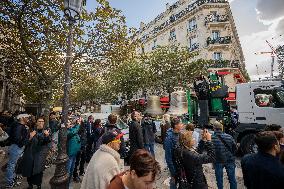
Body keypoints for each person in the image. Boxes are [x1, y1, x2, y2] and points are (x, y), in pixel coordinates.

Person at [21, 118, 51, 189]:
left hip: (40, 154)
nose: (41, 123)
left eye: (42, 121)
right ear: (36, 122)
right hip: (30, 153)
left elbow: (47, 142)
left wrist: (47, 136)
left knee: (39, 171)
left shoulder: (46, 131)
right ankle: (30, 185)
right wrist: (30, 137)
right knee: (30, 169)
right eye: (39, 121)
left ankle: (38, 185)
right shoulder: (31, 131)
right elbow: (25, 142)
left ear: (44, 123)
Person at [5, 114, 30, 188]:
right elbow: (17, 138)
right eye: (26, 117)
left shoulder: (19, 126)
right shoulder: (19, 126)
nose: (28, 118)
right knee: (11, 165)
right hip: (16, 148)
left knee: (14, 164)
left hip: (16, 147)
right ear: (22, 118)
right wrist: (23, 143)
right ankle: (9, 183)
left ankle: (12, 179)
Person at [211, 121, 237, 189]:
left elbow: (210, 151)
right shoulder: (229, 137)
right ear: (221, 128)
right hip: (230, 160)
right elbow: (235, 149)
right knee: (232, 179)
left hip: (218, 161)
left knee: (219, 180)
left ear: (214, 128)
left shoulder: (211, 138)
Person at [164, 117, 184, 189]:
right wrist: (173, 171)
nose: (182, 125)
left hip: (180, 165)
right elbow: (168, 157)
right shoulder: (169, 139)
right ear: (175, 126)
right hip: (174, 166)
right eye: (180, 123)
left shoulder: (180, 134)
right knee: (173, 182)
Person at [67, 117, 81, 186]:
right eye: (69, 122)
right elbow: (73, 132)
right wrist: (78, 125)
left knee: (71, 170)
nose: (70, 123)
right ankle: (67, 185)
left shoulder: (71, 128)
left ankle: (69, 183)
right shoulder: (66, 131)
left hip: (74, 153)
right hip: (70, 153)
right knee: (68, 170)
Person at [73, 118, 87, 183]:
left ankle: (81, 171)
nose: (80, 120)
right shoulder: (76, 128)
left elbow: (84, 136)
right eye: (79, 120)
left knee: (83, 160)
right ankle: (75, 175)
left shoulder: (83, 126)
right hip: (78, 147)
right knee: (76, 162)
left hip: (83, 146)